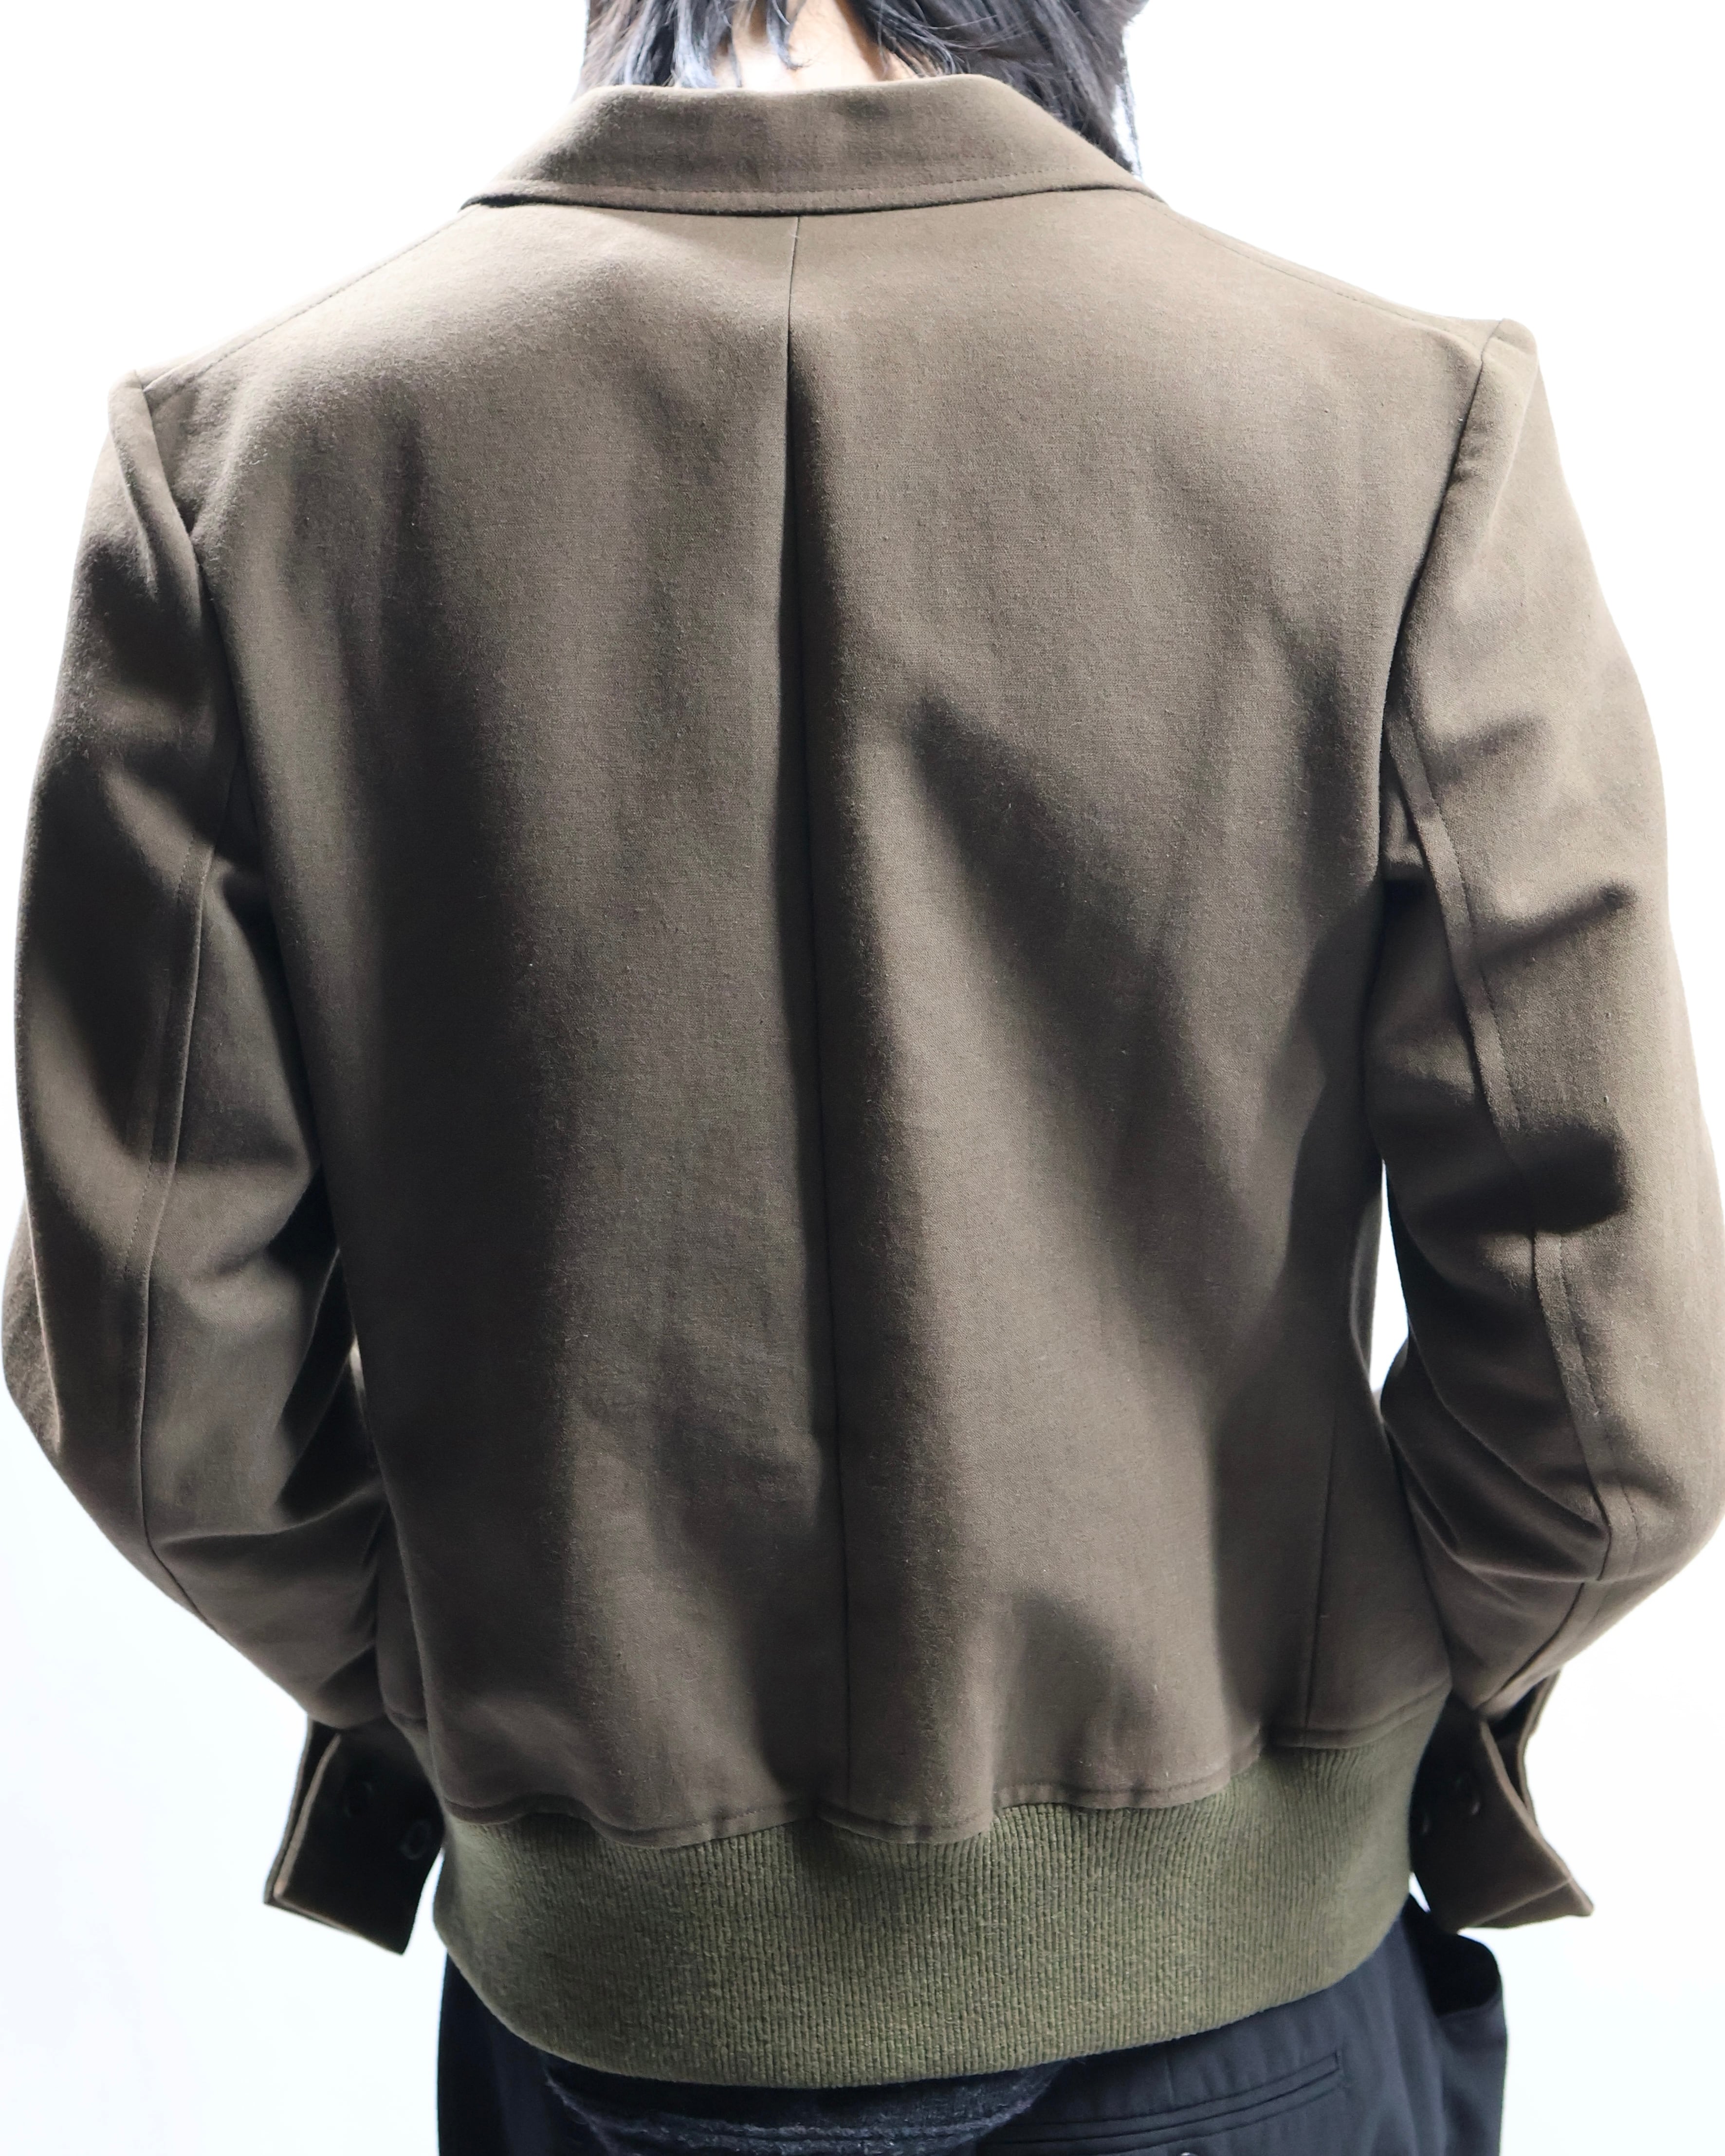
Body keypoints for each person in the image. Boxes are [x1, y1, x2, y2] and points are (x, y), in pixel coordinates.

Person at [7, 0, 1722, 2148]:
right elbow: (1610, 1411)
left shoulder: (246, 465)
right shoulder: (1401, 430)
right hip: (1247, 2005)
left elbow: (153, 1379)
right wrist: (1319, 1719)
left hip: (612, 2017)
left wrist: (493, 1710)